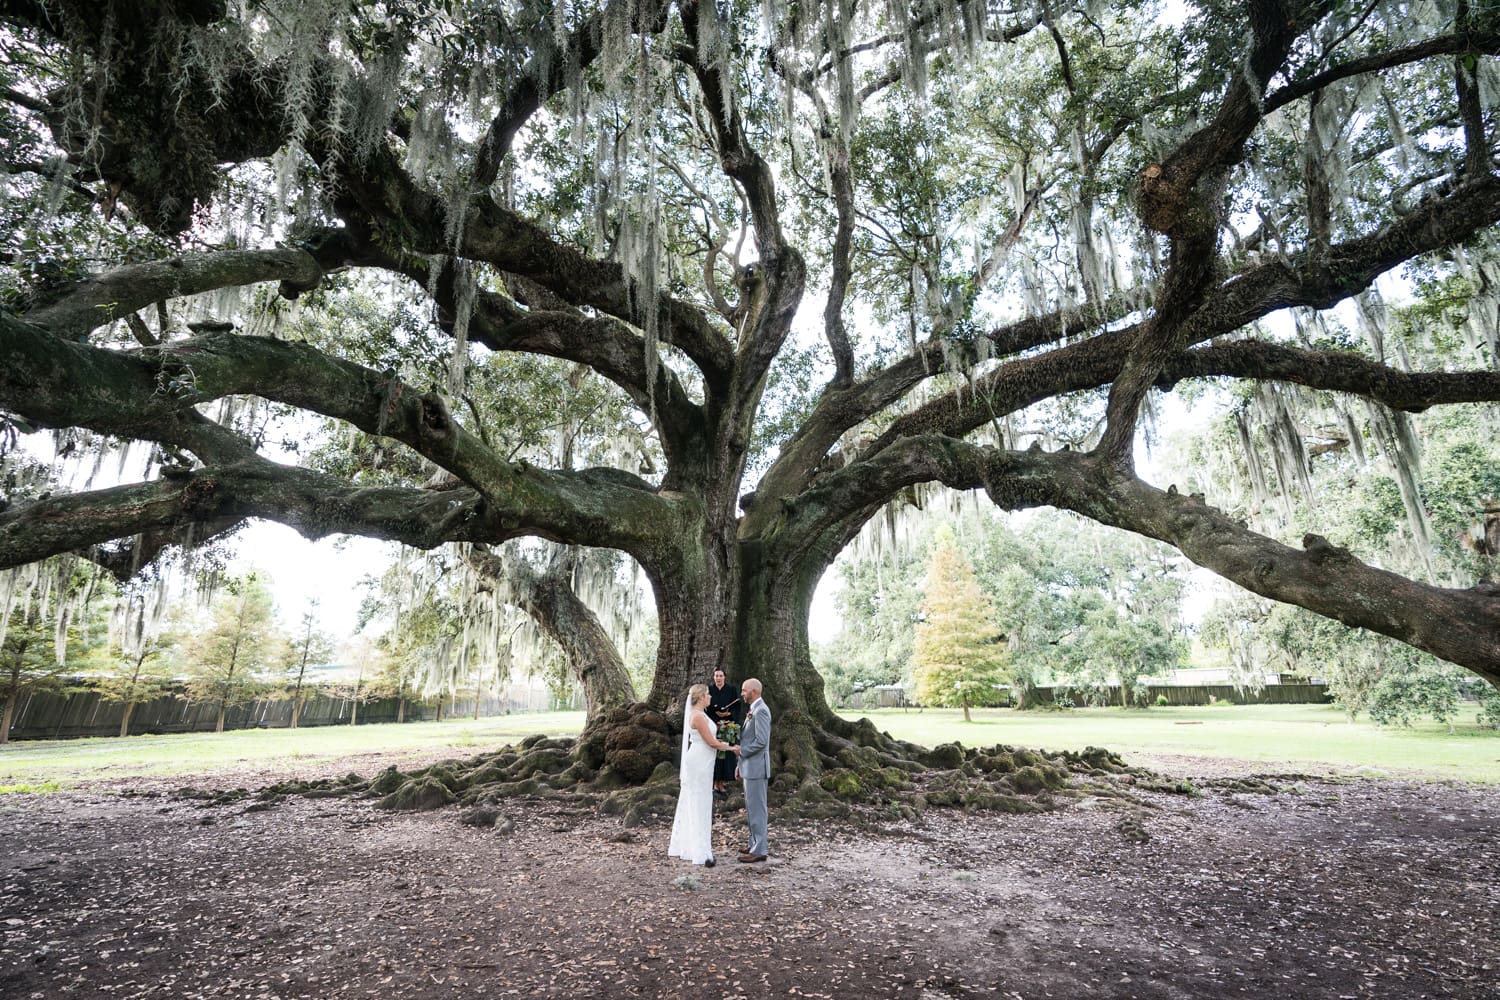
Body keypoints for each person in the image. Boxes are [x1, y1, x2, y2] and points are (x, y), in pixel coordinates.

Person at [668, 683, 739, 867]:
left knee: (702, 801)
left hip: (705, 762)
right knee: (698, 802)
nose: (710, 697)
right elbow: (711, 742)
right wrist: (732, 748)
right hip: (699, 762)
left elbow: (712, 740)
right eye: (708, 694)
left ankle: (695, 846)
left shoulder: (702, 714)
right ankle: (698, 850)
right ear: (700, 698)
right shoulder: (698, 716)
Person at [735, 678, 772, 863]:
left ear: (754, 691)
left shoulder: (762, 710)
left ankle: (760, 850)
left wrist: (741, 751)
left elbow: (761, 741)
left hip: (757, 768)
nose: (742, 693)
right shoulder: (753, 709)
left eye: (744, 690)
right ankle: (753, 843)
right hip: (749, 767)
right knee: (751, 808)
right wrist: (739, 764)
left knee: (758, 809)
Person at [706, 668, 742, 795]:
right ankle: (715, 782)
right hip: (714, 725)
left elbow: (737, 706)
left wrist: (729, 713)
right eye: (716, 675)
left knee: (726, 754)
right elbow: (706, 709)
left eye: (720, 675)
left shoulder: (731, 690)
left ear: (724, 677)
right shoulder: (709, 690)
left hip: (728, 725)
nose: (718, 678)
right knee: (715, 754)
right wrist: (715, 719)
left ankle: (722, 783)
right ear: (713, 677)